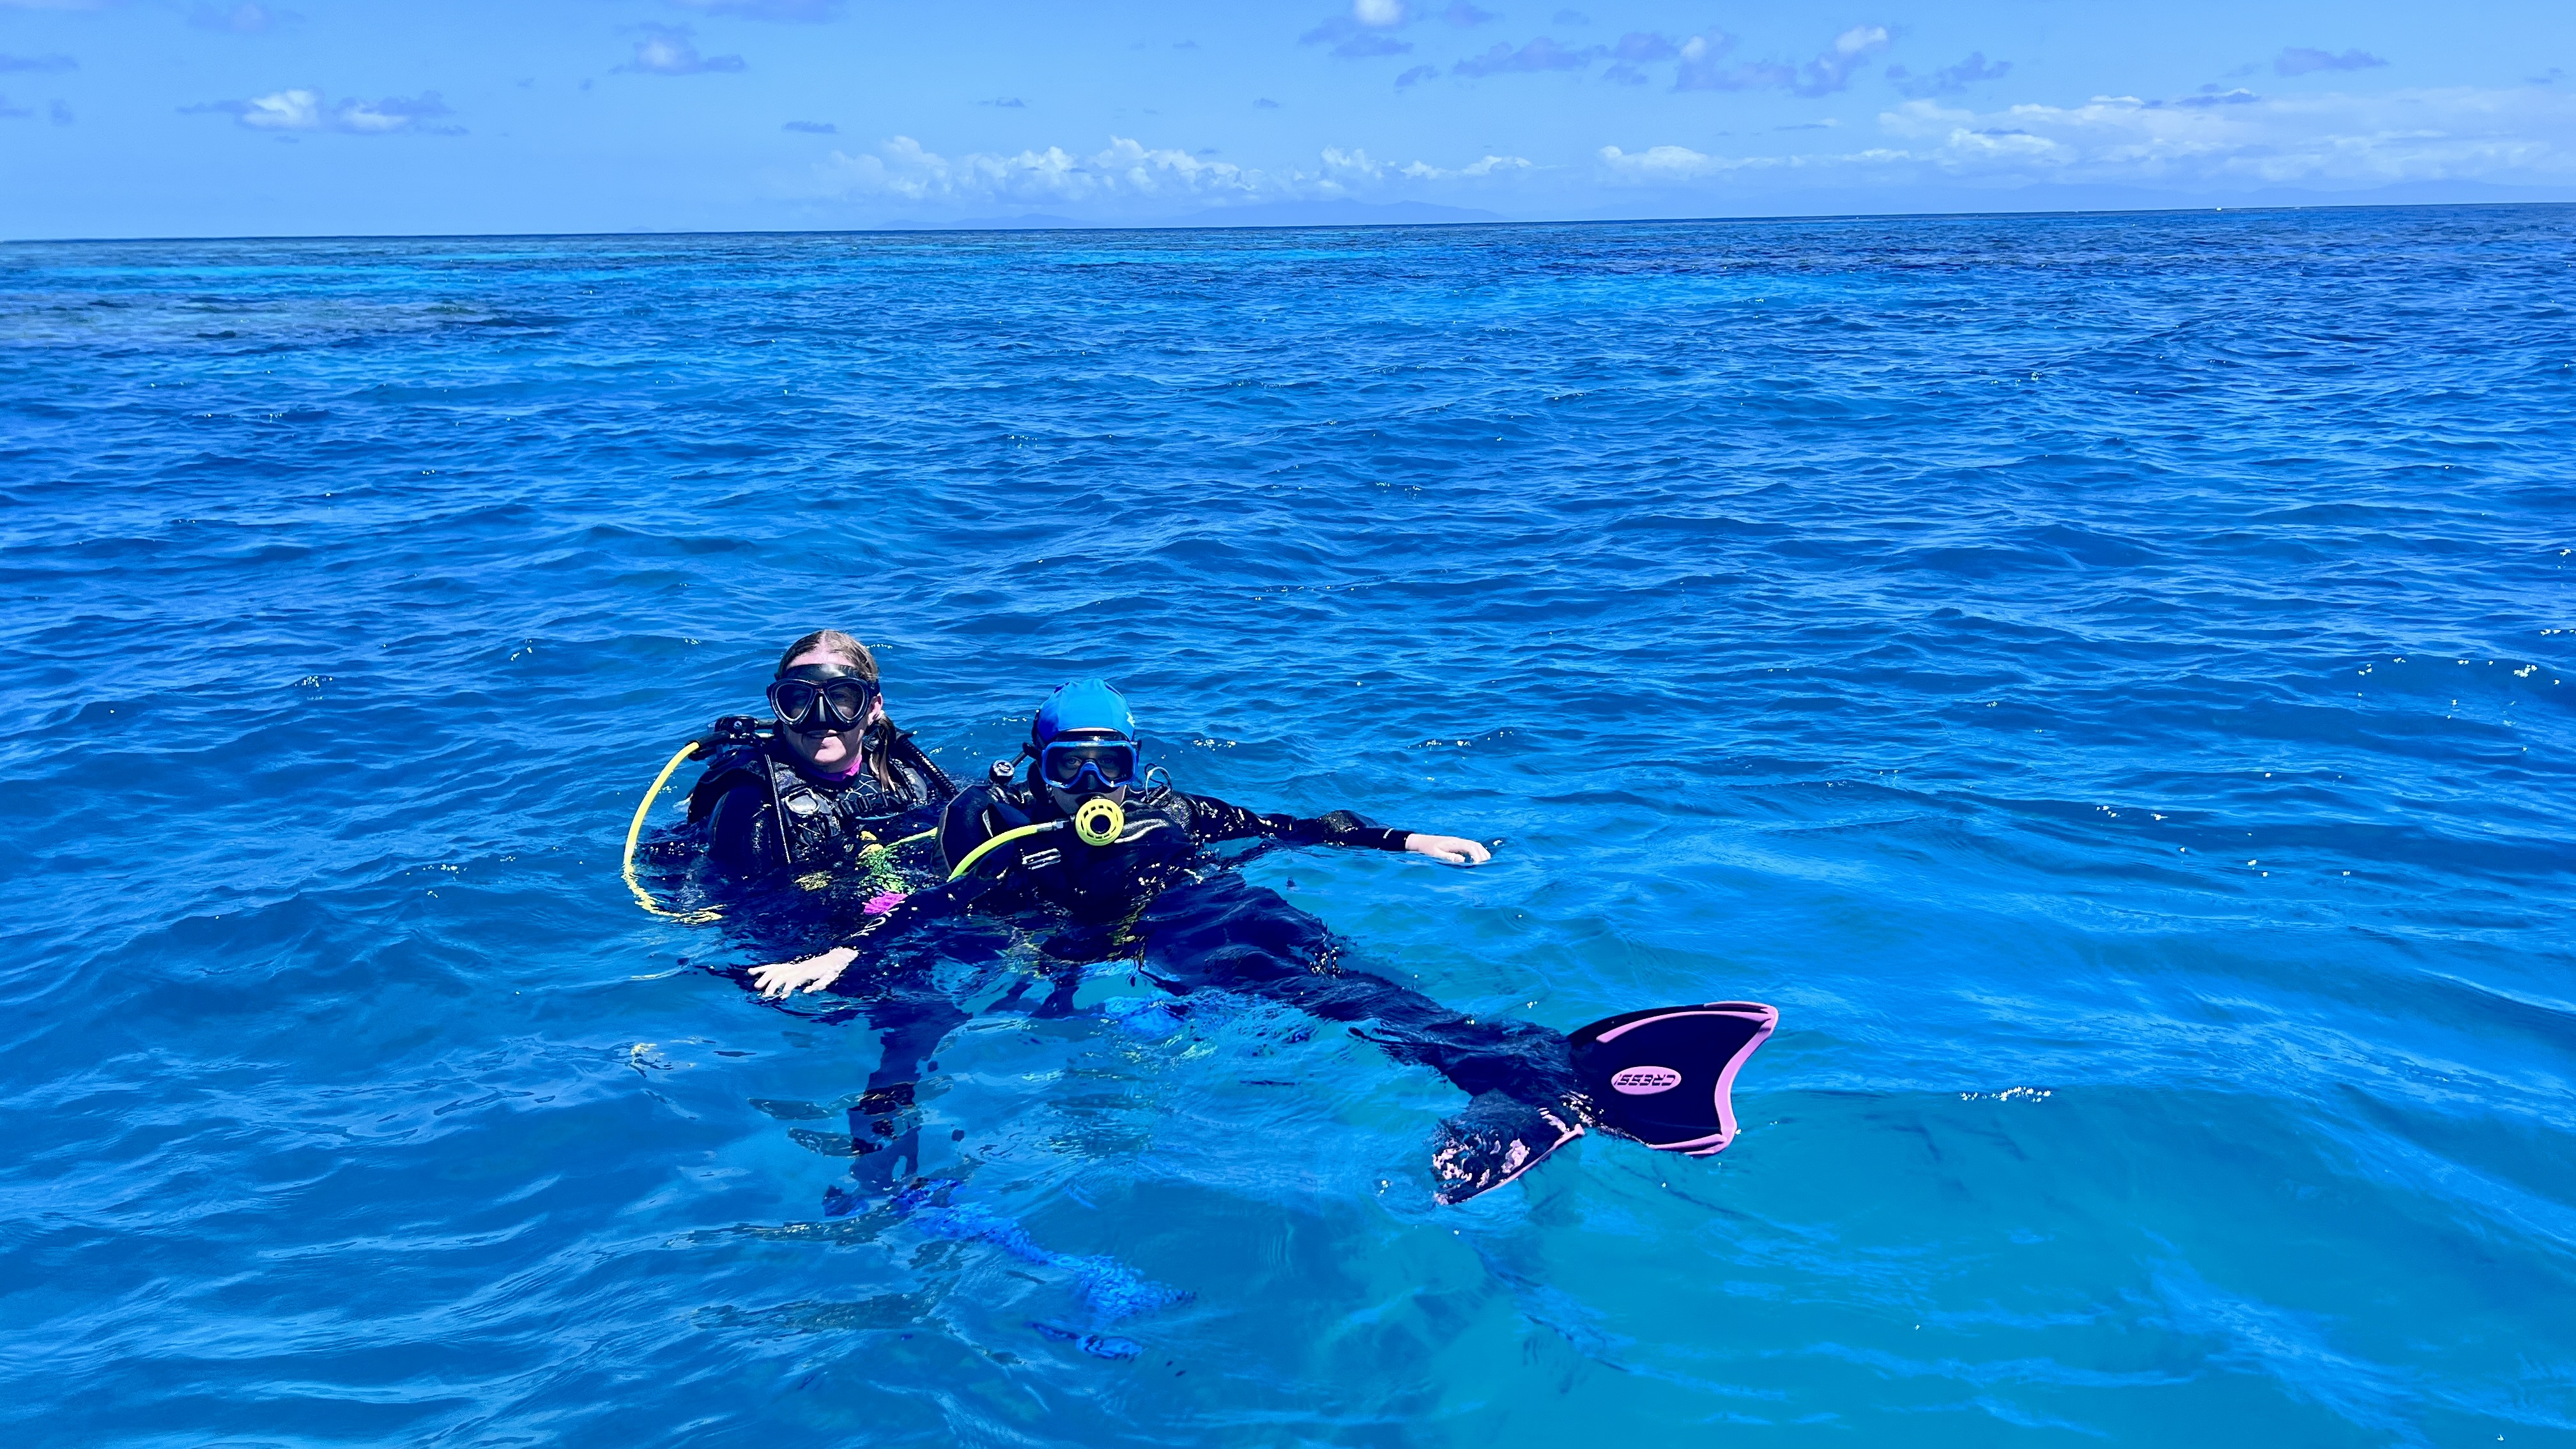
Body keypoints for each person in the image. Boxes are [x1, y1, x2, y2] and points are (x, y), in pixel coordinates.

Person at [743, 679, 1613, 1206]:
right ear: (1034, 768)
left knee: (1340, 980)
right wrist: (842, 953)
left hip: (1214, 909)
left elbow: (1283, 823)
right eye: (1068, 766)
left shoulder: (1172, 814)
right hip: (1170, 944)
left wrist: (1405, 841)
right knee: (1316, 1002)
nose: (1091, 787)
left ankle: (1517, 1069)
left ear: (1135, 765)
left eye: (1109, 766)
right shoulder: (1014, 845)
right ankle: (1510, 1085)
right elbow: (938, 900)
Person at [683, 630, 956, 880]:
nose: (821, 719)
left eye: (842, 699)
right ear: (780, 707)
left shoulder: (903, 772)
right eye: (800, 700)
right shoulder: (752, 804)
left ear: (873, 708)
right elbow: (750, 914)